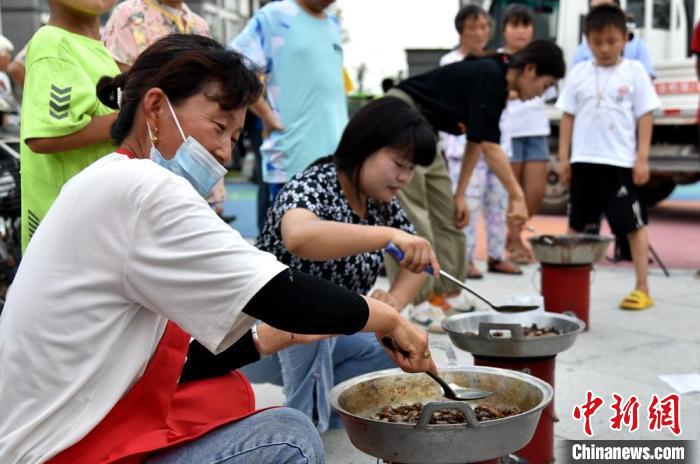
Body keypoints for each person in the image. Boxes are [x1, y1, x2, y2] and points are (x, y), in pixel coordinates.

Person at [0, 34, 435, 463]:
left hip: (56, 431)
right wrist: (390, 317)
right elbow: (281, 288)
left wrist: (277, 336)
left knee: (231, 391)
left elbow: (176, 362)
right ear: (155, 108)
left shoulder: (105, 179)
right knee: (289, 437)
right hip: (59, 451)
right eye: (218, 125)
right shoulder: (144, 188)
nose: (225, 151)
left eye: (236, 135)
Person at [242, 97, 439, 429]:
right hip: (255, 336)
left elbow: (420, 261)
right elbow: (300, 238)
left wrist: (394, 304)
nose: (405, 177)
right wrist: (385, 235)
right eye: (399, 163)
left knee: (394, 348)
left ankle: (331, 406)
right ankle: (303, 429)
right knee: (313, 318)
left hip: (326, 336)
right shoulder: (314, 184)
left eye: (411, 168)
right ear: (365, 147)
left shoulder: (378, 202)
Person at [384, 40, 566, 325]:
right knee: (415, 219)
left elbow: (477, 141)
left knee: (451, 218)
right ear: (530, 69)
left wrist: (459, 194)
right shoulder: (492, 75)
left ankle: (449, 294)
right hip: (400, 118)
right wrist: (517, 196)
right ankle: (420, 303)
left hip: (426, 131)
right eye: (544, 86)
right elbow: (492, 148)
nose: (538, 96)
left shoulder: (499, 83)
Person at [556, 5, 660, 310]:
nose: (604, 48)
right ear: (587, 41)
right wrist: (564, 158)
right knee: (575, 227)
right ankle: (566, 288)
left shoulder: (635, 71)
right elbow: (567, 117)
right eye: (597, 42)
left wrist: (642, 158)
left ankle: (642, 287)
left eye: (612, 41)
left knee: (633, 225)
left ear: (625, 39)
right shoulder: (579, 73)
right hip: (584, 161)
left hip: (619, 164)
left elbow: (645, 116)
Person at [102, 0, 228, 217]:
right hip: (148, 159)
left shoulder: (198, 24)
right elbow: (126, 90)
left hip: (195, 159)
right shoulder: (128, 14)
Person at [229, 0, 348, 228]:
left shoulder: (333, 22)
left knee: (329, 252)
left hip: (335, 161)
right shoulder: (275, 15)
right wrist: (267, 115)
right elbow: (234, 65)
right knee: (286, 253)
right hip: (291, 160)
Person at [19, 0, 120, 251]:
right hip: (66, 232)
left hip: (91, 221)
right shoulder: (53, 42)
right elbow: (44, 138)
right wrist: (129, 119)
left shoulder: (94, 47)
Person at [441, 4, 521, 279]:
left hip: (496, 145)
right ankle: (466, 259)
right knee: (467, 206)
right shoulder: (451, 61)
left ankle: (497, 255)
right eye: (473, 27)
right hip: (463, 146)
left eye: (484, 26)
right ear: (461, 30)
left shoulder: (499, 61)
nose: (479, 32)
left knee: (497, 203)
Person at [501, 4, 554, 264]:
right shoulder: (500, 59)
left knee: (535, 192)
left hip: (536, 131)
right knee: (513, 192)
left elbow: (549, 93)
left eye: (525, 25)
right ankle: (514, 242)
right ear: (504, 30)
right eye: (515, 25)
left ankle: (514, 235)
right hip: (509, 132)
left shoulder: (541, 59)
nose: (520, 31)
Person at [572, 0, 656, 78]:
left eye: (606, 9)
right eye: (595, 10)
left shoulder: (638, 47)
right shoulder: (581, 51)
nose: (601, 15)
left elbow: (647, 78)